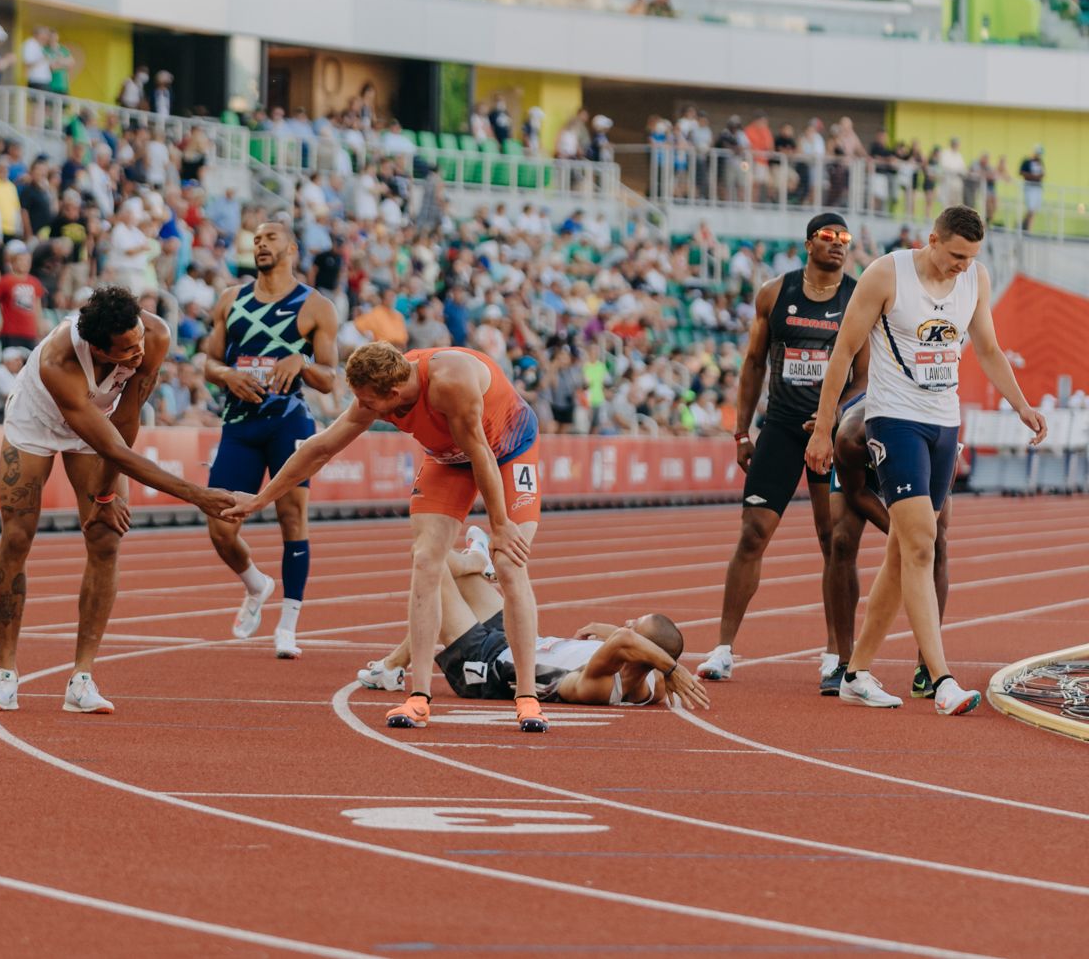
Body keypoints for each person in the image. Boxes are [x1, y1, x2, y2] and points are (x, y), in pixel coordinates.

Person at [226, 342, 550, 734]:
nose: (362, 408)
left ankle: (528, 699)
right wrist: (262, 499)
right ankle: (418, 697)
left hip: (508, 449)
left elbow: (480, 452)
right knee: (426, 559)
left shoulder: (451, 381)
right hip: (448, 457)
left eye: (367, 401)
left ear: (393, 395)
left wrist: (500, 525)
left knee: (509, 563)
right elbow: (322, 447)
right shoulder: (378, 390)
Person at [806, 206, 1045, 715]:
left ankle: (856, 672)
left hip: (944, 426)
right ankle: (942, 681)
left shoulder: (975, 278)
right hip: (895, 421)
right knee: (921, 543)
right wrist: (825, 427)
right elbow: (844, 351)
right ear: (932, 240)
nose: (961, 266)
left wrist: (1021, 404)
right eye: (955, 255)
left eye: (970, 258)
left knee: (902, 551)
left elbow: (988, 348)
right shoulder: (887, 274)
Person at [0, 286, 239, 716]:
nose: (138, 352)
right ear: (98, 348)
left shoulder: (153, 337)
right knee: (18, 537)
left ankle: (82, 678)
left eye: (138, 339)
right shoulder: (56, 363)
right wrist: (197, 495)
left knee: (105, 538)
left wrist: (104, 495)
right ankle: (5, 676)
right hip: (36, 420)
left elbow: (126, 418)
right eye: (126, 349)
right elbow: (114, 450)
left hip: (98, 421)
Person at [696, 215, 867, 694]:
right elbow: (753, 362)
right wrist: (741, 431)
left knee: (833, 541)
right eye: (829, 238)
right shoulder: (774, 293)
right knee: (752, 534)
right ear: (809, 242)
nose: (838, 245)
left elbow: (863, 377)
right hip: (781, 429)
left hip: (829, 434)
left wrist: (832, 422)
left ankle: (836, 654)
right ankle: (724, 649)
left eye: (845, 240)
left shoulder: (857, 297)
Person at [199, 220, 338, 659]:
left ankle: (288, 626)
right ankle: (256, 583)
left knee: (292, 517)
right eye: (256, 239)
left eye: (270, 238)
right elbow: (208, 361)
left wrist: (301, 361)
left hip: (288, 423)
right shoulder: (231, 300)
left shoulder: (315, 306)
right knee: (221, 524)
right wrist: (228, 375)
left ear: (291, 248)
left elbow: (330, 379)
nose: (260, 244)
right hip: (239, 423)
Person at [366, 539, 709, 711]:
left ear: (639, 654)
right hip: (519, 638)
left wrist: (672, 666)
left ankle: (475, 560)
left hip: (485, 663)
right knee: (438, 563)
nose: (627, 622)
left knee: (428, 558)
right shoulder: (652, 678)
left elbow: (623, 640)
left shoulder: (604, 685)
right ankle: (393, 665)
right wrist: (667, 665)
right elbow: (634, 642)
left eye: (636, 625)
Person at [824, 398, 949, 696]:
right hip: (862, 473)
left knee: (935, 544)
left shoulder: (937, 428)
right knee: (840, 541)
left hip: (915, 451)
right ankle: (845, 662)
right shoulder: (850, 437)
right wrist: (901, 529)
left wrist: (914, 532)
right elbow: (855, 493)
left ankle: (926, 669)